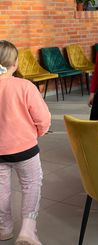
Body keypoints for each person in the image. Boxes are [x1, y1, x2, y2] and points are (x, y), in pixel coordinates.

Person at [0, 41, 51, 245]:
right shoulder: (25, 86)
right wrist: (38, 132)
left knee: (1, 189)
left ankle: (4, 228)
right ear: (15, 64)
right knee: (31, 184)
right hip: (25, 148)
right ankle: (28, 230)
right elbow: (43, 118)